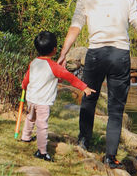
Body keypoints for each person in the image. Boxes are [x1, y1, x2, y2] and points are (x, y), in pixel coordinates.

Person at [58, 0, 137, 168]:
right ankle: (110, 157)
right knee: (116, 109)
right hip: (119, 55)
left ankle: (84, 142)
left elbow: (75, 26)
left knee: (88, 99)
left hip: (96, 55)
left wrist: (64, 52)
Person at [21, 30, 94, 162]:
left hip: (31, 98)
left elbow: (27, 78)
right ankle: (42, 152)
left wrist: (24, 86)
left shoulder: (34, 63)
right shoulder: (54, 66)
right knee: (42, 125)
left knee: (31, 117)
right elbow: (71, 78)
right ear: (54, 50)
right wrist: (85, 87)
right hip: (43, 102)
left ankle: (25, 136)